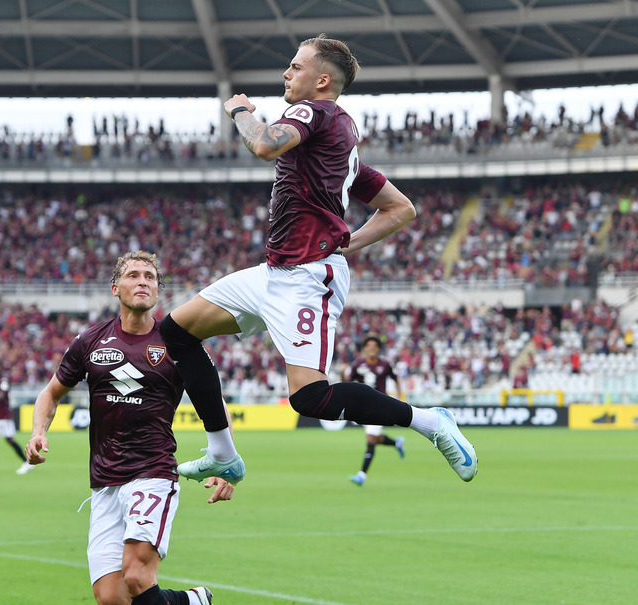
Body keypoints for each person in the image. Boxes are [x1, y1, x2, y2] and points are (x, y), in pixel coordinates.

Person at [158, 34, 477, 484]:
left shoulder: (314, 111)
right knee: (175, 332)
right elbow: (401, 209)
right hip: (275, 271)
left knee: (310, 398)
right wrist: (348, 241)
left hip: (306, 277)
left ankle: (430, 422)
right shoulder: (340, 146)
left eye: (295, 66)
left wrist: (240, 110)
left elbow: (265, 144)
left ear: (321, 80)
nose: (286, 74)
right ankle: (222, 453)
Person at [25, 251, 232, 605]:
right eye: (134, 275)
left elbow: (214, 403)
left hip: (152, 471)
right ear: (115, 288)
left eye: (150, 277)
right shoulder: (90, 340)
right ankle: (192, 601)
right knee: (111, 598)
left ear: (157, 290)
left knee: (137, 576)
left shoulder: (179, 344)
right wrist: (37, 431)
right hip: (104, 482)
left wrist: (225, 460)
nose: (143, 282)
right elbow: (51, 393)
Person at [344, 337, 406, 486]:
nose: (372, 348)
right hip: (362, 407)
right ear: (365, 348)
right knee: (376, 438)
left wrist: (399, 396)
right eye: (369, 345)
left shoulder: (385, 365)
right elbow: (348, 381)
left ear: (378, 349)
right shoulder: (358, 364)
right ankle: (396, 443)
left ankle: (361, 475)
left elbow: (396, 379)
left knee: (371, 439)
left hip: (379, 405)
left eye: (375, 346)